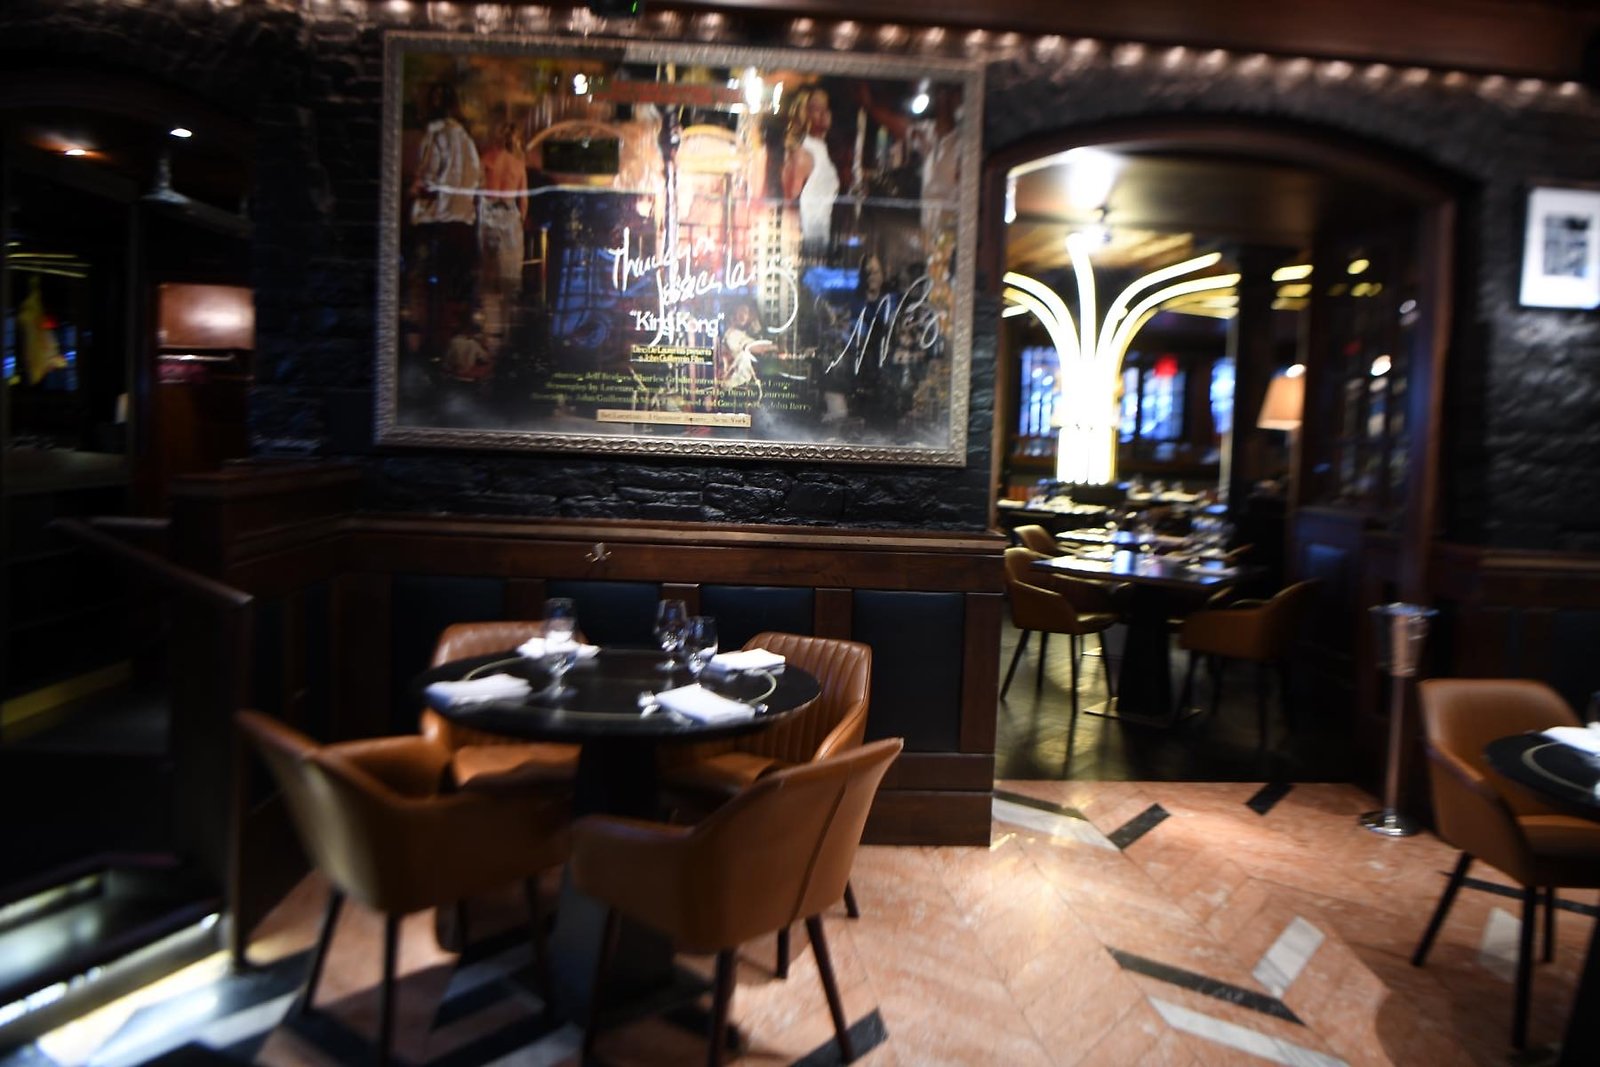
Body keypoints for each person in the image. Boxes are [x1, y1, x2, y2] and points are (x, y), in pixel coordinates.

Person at [409, 80, 481, 359]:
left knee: (431, 292)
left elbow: (428, 180)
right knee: (456, 293)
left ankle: (432, 351)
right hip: (463, 226)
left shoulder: (436, 134)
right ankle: (453, 353)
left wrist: (412, 191)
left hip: (437, 224)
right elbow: (476, 183)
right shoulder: (467, 139)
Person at [781, 87, 839, 254]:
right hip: (806, 245)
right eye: (816, 108)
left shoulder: (822, 149)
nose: (824, 113)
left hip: (821, 242)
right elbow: (790, 203)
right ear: (804, 112)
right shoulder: (803, 153)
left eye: (826, 107)